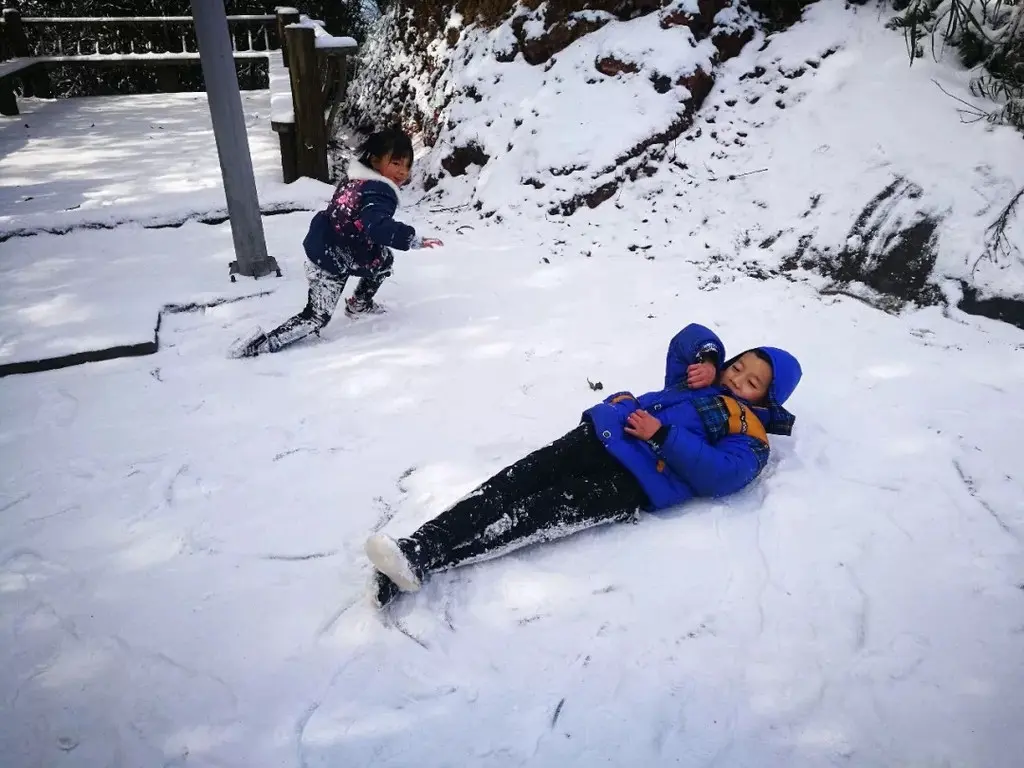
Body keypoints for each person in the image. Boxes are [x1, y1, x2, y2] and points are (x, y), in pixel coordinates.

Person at [364, 323, 803, 608]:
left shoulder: (750, 433)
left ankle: (426, 562)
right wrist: (707, 357)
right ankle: (419, 547)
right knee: (509, 485)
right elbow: (688, 337)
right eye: (737, 367)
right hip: (601, 435)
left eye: (751, 382)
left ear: (768, 400)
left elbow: (723, 475)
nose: (735, 379)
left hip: (633, 482)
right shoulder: (695, 381)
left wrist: (664, 436)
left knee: (532, 516)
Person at [229, 127, 443, 358]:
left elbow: (353, 219)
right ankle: (263, 344)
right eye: (396, 163)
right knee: (316, 318)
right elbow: (377, 226)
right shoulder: (380, 191)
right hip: (331, 258)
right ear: (375, 160)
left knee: (383, 260)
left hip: (338, 245)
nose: (403, 172)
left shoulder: (357, 180)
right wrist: (412, 239)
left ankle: (359, 303)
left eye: (407, 165)